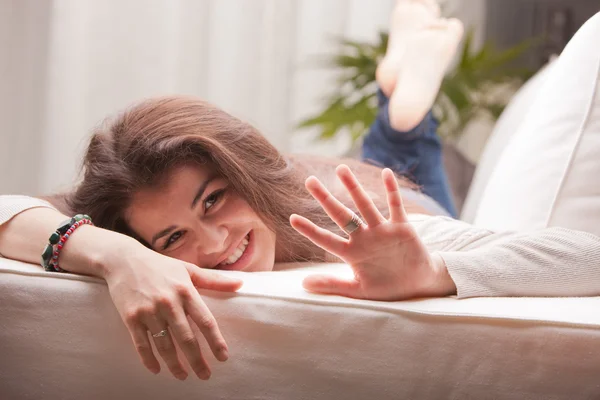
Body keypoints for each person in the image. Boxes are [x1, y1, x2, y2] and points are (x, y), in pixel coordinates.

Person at [1, 0, 600, 384]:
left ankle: (402, 112)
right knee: (389, 157)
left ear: (247, 173)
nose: (214, 243)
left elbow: (588, 255)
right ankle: (401, 106)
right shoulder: (123, 230)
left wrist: (435, 271)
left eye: (213, 199)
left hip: (384, 206)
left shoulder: (347, 231)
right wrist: (116, 255)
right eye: (172, 236)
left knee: (403, 170)